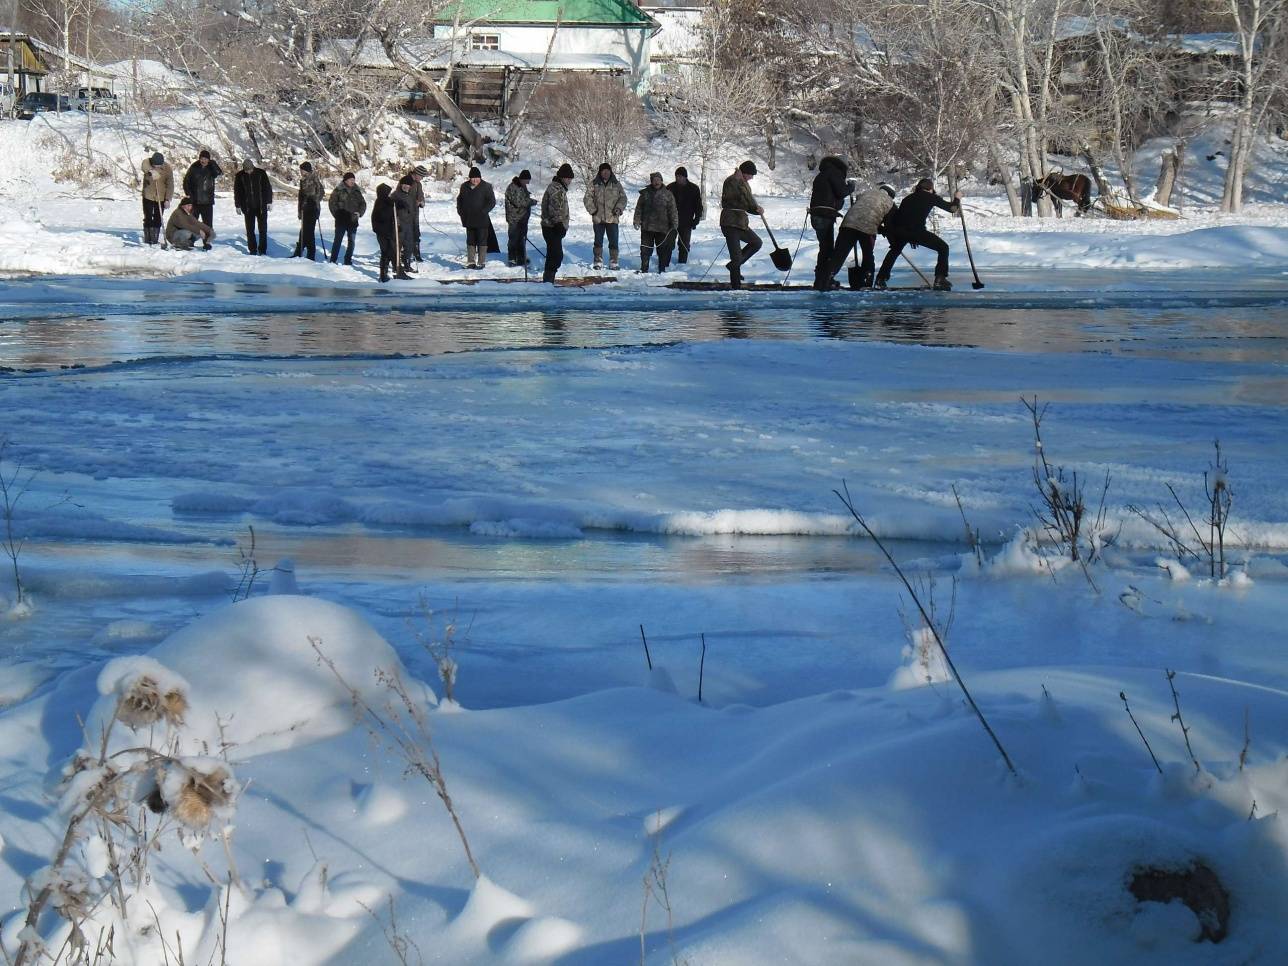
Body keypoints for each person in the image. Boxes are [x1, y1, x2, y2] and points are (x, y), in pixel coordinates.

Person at [875, 177, 961, 291]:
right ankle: (940, 278)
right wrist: (957, 198)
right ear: (930, 188)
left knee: (894, 251)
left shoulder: (907, 198)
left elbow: (902, 217)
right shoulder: (930, 197)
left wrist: (906, 237)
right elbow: (953, 208)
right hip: (917, 231)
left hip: (900, 231)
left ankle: (880, 279)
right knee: (943, 248)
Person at [815, 183, 895, 291]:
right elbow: (889, 224)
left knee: (838, 255)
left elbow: (861, 208)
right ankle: (867, 281)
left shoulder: (866, 193)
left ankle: (825, 280)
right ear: (891, 195)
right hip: (867, 228)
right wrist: (889, 236)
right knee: (868, 255)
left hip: (848, 224)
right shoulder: (890, 203)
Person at [720, 161, 764, 289]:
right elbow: (733, 200)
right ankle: (736, 285)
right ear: (744, 172)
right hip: (730, 221)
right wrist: (754, 207)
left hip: (741, 222)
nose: (752, 178)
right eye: (751, 175)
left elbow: (748, 203)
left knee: (756, 242)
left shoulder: (745, 184)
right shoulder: (731, 181)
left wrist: (756, 210)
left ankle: (733, 265)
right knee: (736, 255)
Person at [808, 155, 851, 279]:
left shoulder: (822, 175)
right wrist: (851, 187)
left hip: (817, 215)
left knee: (824, 247)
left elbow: (833, 196)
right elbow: (841, 192)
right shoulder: (834, 173)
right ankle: (824, 278)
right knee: (827, 248)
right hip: (825, 215)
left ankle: (821, 277)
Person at [633, 171, 679, 273]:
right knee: (645, 249)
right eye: (654, 180)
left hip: (662, 228)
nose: (656, 182)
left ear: (661, 181)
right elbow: (639, 208)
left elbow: (673, 210)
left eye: (658, 180)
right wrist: (636, 220)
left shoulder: (668, 194)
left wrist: (674, 223)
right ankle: (644, 268)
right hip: (647, 227)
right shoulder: (645, 194)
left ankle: (661, 269)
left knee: (662, 250)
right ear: (651, 182)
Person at [583, 162, 626, 270]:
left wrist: (619, 208)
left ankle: (614, 261)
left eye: (608, 171)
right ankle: (598, 260)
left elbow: (623, 198)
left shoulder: (616, 184)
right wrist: (593, 211)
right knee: (598, 241)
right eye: (604, 171)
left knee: (614, 241)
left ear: (610, 172)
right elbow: (587, 198)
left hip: (613, 218)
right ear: (600, 172)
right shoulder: (594, 183)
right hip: (598, 218)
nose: (606, 173)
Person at [456, 166, 497, 270]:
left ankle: (481, 262)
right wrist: (461, 212)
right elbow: (459, 200)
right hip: (468, 218)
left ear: (480, 178)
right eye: (472, 178)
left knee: (482, 240)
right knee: (470, 240)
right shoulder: (464, 186)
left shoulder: (486, 186)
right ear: (469, 178)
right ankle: (470, 261)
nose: (474, 180)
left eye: (477, 178)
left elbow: (492, 201)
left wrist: (483, 211)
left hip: (482, 219)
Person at [541, 163, 575, 284]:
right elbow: (554, 208)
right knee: (556, 255)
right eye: (568, 178)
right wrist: (559, 224)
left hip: (552, 226)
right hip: (552, 226)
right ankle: (548, 281)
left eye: (570, 178)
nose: (570, 181)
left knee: (553, 254)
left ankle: (549, 280)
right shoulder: (556, 189)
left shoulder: (558, 188)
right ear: (562, 177)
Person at [181, 150, 221, 249]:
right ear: (199, 158)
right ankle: (190, 241)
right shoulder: (194, 167)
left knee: (207, 224)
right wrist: (188, 194)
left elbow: (218, 173)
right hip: (195, 201)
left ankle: (207, 242)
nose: (203, 161)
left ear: (208, 159)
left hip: (207, 201)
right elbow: (186, 181)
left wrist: (213, 163)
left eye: (206, 159)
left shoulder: (211, 168)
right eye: (202, 158)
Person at [233, 159, 272, 256]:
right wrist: (237, 205)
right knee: (250, 230)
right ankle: (252, 249)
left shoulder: (261, 173)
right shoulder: (240, 176)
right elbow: (237, 191)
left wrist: (269, 201)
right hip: (247, 207)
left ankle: (262, 250)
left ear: (253, 167)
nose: (248, 172)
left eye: (249, 170)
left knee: (263, 229)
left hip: (261, 206)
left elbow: (267, 188)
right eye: (246, 170)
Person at [371, 183, 407, 282]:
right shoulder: (380, 202)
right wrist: (392, 206)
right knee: (388, 252)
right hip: (383, 232)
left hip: (388, 231)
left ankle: (387, 274)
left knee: (386, 253)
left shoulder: (386, 201)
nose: (389, 194)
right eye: (388, 192)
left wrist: (398, 204)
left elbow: (393, 207)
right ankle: (395, 272)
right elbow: (383, 216)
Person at [667, 166, 703, 265]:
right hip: (671, 221)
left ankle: (682, 264)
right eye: (677, 176)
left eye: (680, 176)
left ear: (685, 177)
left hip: (687, 221)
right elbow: (664, 204)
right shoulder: (670, 187)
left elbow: (698, 205)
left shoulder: (694, 188)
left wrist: (697, 218)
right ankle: (665, 263)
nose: (678, 178)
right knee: (669, 243)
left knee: (684, 244)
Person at [328, 172, 366, 265]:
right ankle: (333, 260)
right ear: (345, 180)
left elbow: (363, 203)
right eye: (350, 180)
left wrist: (359, 213)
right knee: (338, 240)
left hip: (353, 220)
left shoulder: (357, 191)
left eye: (353, 180)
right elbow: (332, 203)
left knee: (351, 241)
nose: (352, 181)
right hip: (341, 220)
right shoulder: (338, 190)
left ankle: (348, 260)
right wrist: (337, 215)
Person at [505, 169, 537, 266]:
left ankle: (521, 257)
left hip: (523, 218)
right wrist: (532, 202)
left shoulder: (523, 187)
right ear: (522, 179)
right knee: (513, 238)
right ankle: (512, 259)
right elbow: (519, 202)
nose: (528, 183)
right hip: (514, 218)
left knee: (521, 238)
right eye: (527, 180)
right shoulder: (513, 187)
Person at [294, 161, 325, 260]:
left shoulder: (314, 178)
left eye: (302, 170)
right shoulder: (303, 180)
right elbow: (301, 197)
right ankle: (299, 252)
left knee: (309, 232)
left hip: (312, 209)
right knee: (303, 231)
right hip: (304, 209)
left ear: (306, 170)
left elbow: (321, 192)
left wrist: (314, 200)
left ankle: (311, 254)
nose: (301, 172)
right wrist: (299, 210)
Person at [141, 151, 173, 247]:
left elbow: (170, 185)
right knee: (148, 216)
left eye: (158, 165)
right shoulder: (148, 162)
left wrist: (168, 199)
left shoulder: (167, 168)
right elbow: (144, 165)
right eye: (155, 165)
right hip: (148, 195)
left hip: (161, 197)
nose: (157, 167)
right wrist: (151, 171)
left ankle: (154, 238)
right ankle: (148, 238)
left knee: (158, 217)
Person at [393, 175, 419, 275]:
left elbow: (413, 210)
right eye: (404, 184)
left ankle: (407, 263)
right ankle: (396, 265)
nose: (406, 186)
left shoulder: (411, 197)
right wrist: (397, 222)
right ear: (401, 185)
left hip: (409, 224)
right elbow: (391, 210)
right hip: (399, 224)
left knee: (409, 245)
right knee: (397, 246)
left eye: (408, 185)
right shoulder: (395, 195)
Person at [404, 164, 428, 262]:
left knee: (416, 233)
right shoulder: (406, 181)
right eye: (421, 176)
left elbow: (421, 196)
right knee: (407, 234)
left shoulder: (419, 184)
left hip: (415, 213)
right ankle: (406, 255)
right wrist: (414, 202)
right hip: (405, 213)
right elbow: (402, 197)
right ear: (417, 174)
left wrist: (421, 202)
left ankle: (416, 253)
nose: (422, 178)